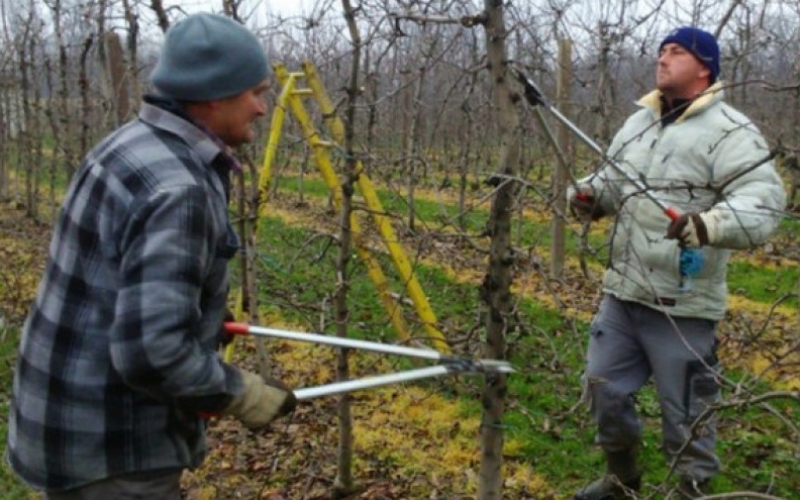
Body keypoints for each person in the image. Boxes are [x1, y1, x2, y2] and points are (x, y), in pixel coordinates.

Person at [7, 13, 296, 500]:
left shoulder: (126, 144)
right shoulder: (179, 190)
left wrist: (200, 314)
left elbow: (117, 276)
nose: (263, 108)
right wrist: (241, 394)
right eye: (255, 92)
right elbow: (150, 354)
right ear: (212, 94)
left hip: (59, 419)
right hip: (112, 450)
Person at [567, 26, 785, 499]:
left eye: (676, 52)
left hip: (683, 304)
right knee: (604, 389)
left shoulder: (730, 131)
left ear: (704, 66)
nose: (662, 60)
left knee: (687, 414)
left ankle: (691, 490)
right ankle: (621, 478)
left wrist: (707, 224)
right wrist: (589, 194)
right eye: (661, 51)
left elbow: (764, 204)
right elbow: (613, 178)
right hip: (623, 293)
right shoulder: (639, 122)